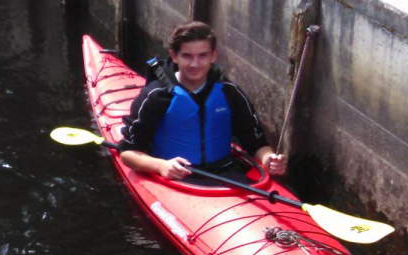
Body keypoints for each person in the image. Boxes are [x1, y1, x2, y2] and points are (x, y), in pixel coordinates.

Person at [119, 21, 287, 181]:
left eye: (202, 56)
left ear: (213, 56)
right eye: (187, 56)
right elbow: (127, 153)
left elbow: (255, 141)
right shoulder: (155, 95)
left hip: (226, 174)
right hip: (175, 177)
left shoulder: (229, 92)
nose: (195, 64)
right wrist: (161, 166)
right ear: (174, 56)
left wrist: (268, 159)